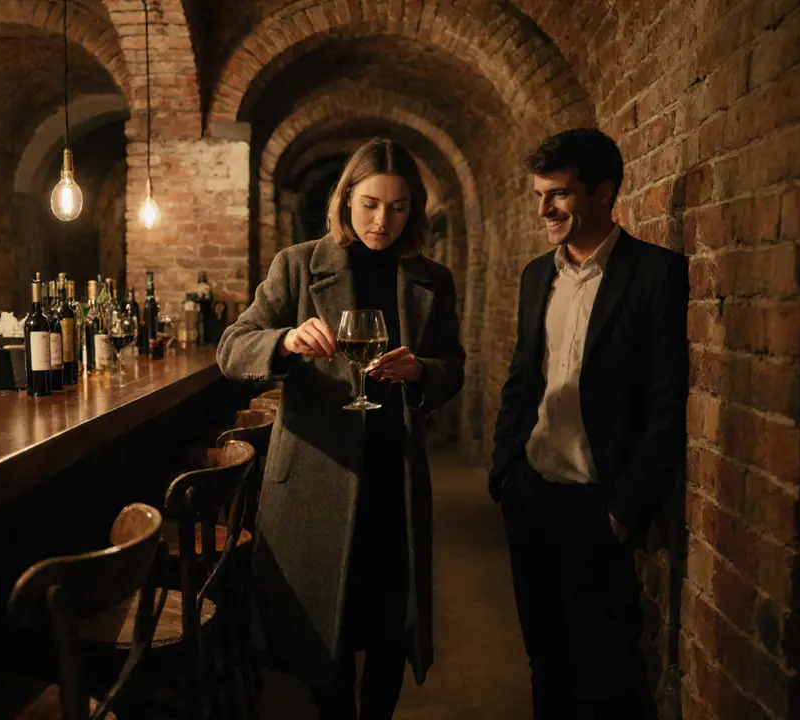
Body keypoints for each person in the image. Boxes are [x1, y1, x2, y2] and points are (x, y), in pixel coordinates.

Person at [218, 138, 465, 719]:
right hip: (316, 475)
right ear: (346, 199)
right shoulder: (299, 264)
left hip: (393, 475)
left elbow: (452, 367)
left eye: (400, 207)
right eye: (371, 204)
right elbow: (231, 349)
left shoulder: (432, 279)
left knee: (387, 629)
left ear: (415, 209)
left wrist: (421, 370)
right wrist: (285, 339)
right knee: (322, 630)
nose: (384, 221)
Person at [490, 128, 689, 719]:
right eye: (538, 195)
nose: (544, 209)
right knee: (545, 662)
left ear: (604, 192)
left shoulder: (655, 275)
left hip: (599, 508)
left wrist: (624, 512)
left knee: (605, 680)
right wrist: (505, 474)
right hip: (531, 494)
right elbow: (522, 381)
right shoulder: (535, 277)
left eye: (558, 194)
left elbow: (665, 402)